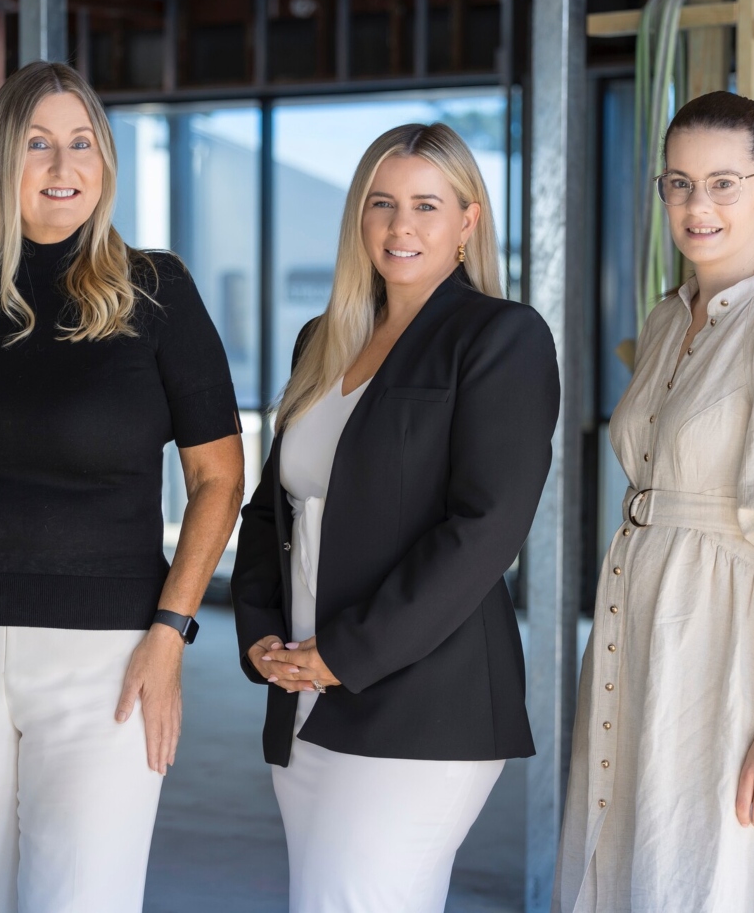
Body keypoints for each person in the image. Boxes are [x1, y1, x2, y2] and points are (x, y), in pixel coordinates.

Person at [0, 61, 244, 913]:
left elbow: (218, 478)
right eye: (38, 144)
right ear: (2, 158)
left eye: (82, 144)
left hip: (109, 659)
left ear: (105, 161)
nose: (63, 166)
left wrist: (171, 634)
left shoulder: (158, 292)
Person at [554, 91, 754, 913]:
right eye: (679, 184)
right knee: (636, 850)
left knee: (714, 869)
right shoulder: (668, 320)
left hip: (733, 641)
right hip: (644, 628)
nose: (697, 206)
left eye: (723, 183)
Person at [231, 122, 560, 913]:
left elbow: (485, 530)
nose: (399, 225)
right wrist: (259, 632)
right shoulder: (323, 340)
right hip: (304, 691)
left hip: (422, 701)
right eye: (381, 204)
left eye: (425, 205)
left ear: (468, 222)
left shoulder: (499, 337)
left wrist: (345, 654)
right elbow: (272, 508)